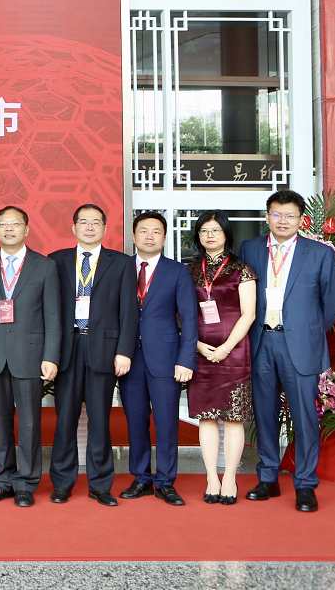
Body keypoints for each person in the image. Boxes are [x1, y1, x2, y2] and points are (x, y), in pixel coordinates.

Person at [240, 190, 335, 513]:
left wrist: (307, 331)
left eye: (289, 215)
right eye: (276, 214)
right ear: (267, 217)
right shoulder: (250, 249)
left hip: (300, 345)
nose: (282, 221)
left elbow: (333, 301)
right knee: (265, 414)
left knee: (304, 417)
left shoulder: (320, 253)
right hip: (261, 342)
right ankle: (268, 477)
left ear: (301, 219)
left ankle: (305, 484)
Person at [47, 204, 138, 506]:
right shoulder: (56, 261)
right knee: (65, 419)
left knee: (100, 420)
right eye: (83, 222)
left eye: (95, 222)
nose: (89, 227)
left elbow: (129, 311)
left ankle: (100, 485)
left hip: (104, 349)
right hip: (67, 348)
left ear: (105, 228)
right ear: (73, 227)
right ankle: (62, 482)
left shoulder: (121, 263)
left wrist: (124, 351)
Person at [0, 205, 61, 507]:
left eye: (15, 223)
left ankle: (26, 483)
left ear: (27, 229)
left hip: (30, 355)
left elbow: (53, 316)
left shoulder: (45, 266)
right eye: (3, 224)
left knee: (29, 424)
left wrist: (51, 356)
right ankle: (1, 481)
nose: (9, 228)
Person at [118, 211, 198, 506]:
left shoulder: (177, 271)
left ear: (164, 238)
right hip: (129, 359)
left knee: (166, 423)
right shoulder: (120, 268)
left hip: (166, 358)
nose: (149, 236)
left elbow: (189, 319)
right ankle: (141, 477)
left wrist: (186, 359)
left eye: (155, 231)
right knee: (135, 421)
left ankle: (165, 481)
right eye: (143, 230)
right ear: (134, 235)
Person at [185, 209, 257, 505]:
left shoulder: (242, 269)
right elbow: (180, 313)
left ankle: (229, 477)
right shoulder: (189, 270)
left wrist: (226, 347)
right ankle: (211, 477)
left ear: (226, 234)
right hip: (200, 351)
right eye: (204, 231)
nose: (209, 235)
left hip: (234, 351)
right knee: (207, 417)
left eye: (215, 230)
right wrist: (197, 346)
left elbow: (249, 314)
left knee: (234, 418)